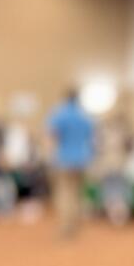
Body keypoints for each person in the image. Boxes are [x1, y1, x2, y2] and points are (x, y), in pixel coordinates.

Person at [47, 89, 95, 237]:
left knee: (65, 194)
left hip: (64, 159)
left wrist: (51, 155)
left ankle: (67, 227)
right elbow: (91, 138)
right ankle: (76, 225)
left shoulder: (59, 114)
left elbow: (52, 136)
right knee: (78, 194)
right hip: (83, 159)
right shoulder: (85, 116)